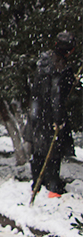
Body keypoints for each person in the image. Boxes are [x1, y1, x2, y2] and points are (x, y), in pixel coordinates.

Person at [28, 31, 76, 198]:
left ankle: (37, 184)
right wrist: (58, 118)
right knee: (53, 151)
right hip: (49, 115)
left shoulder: (44, 62)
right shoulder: (59, 66)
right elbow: (56, 95)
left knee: (39, 150)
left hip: (37, 112)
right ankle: (52, 188)